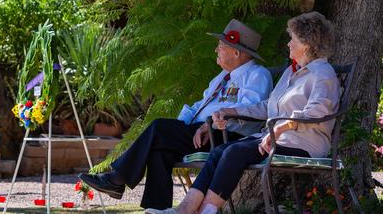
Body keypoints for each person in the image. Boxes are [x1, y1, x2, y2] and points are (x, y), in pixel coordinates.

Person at [151, 12, 339, 214]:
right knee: (218, 152)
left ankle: (207, 211)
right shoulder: (290, 73)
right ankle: (182, 211)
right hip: (276, 138)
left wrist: (283, 126)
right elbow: (267, 106)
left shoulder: (322, 73)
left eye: (292, 38)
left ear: (306, 43)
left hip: (303, 143)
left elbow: (316, 111)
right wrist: (230, 110)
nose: (288, 44)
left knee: (234, 152)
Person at [79, 19, 273, 210]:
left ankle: (117, 178)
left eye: (221, 46)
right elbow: (198, 105)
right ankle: (157, 209)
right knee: (160, 150)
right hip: (199, 133)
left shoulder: (258, 75)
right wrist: (181, 127)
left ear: (237, 52)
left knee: (159, 127)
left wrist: (208, 126)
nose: (216, 50)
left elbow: (246, 112)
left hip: (225, 136)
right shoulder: (221, 77)